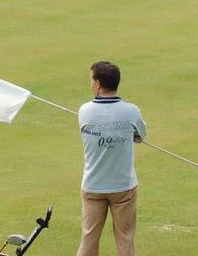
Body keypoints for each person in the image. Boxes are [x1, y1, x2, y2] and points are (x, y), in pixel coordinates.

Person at [77, 61, 146, 256]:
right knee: (125, 240)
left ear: (98, 84)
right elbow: (141, 134)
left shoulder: (84, 111)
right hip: (123, 186)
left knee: (89, 239)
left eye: (92, 80)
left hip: (93, 186)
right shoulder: (131, 111)